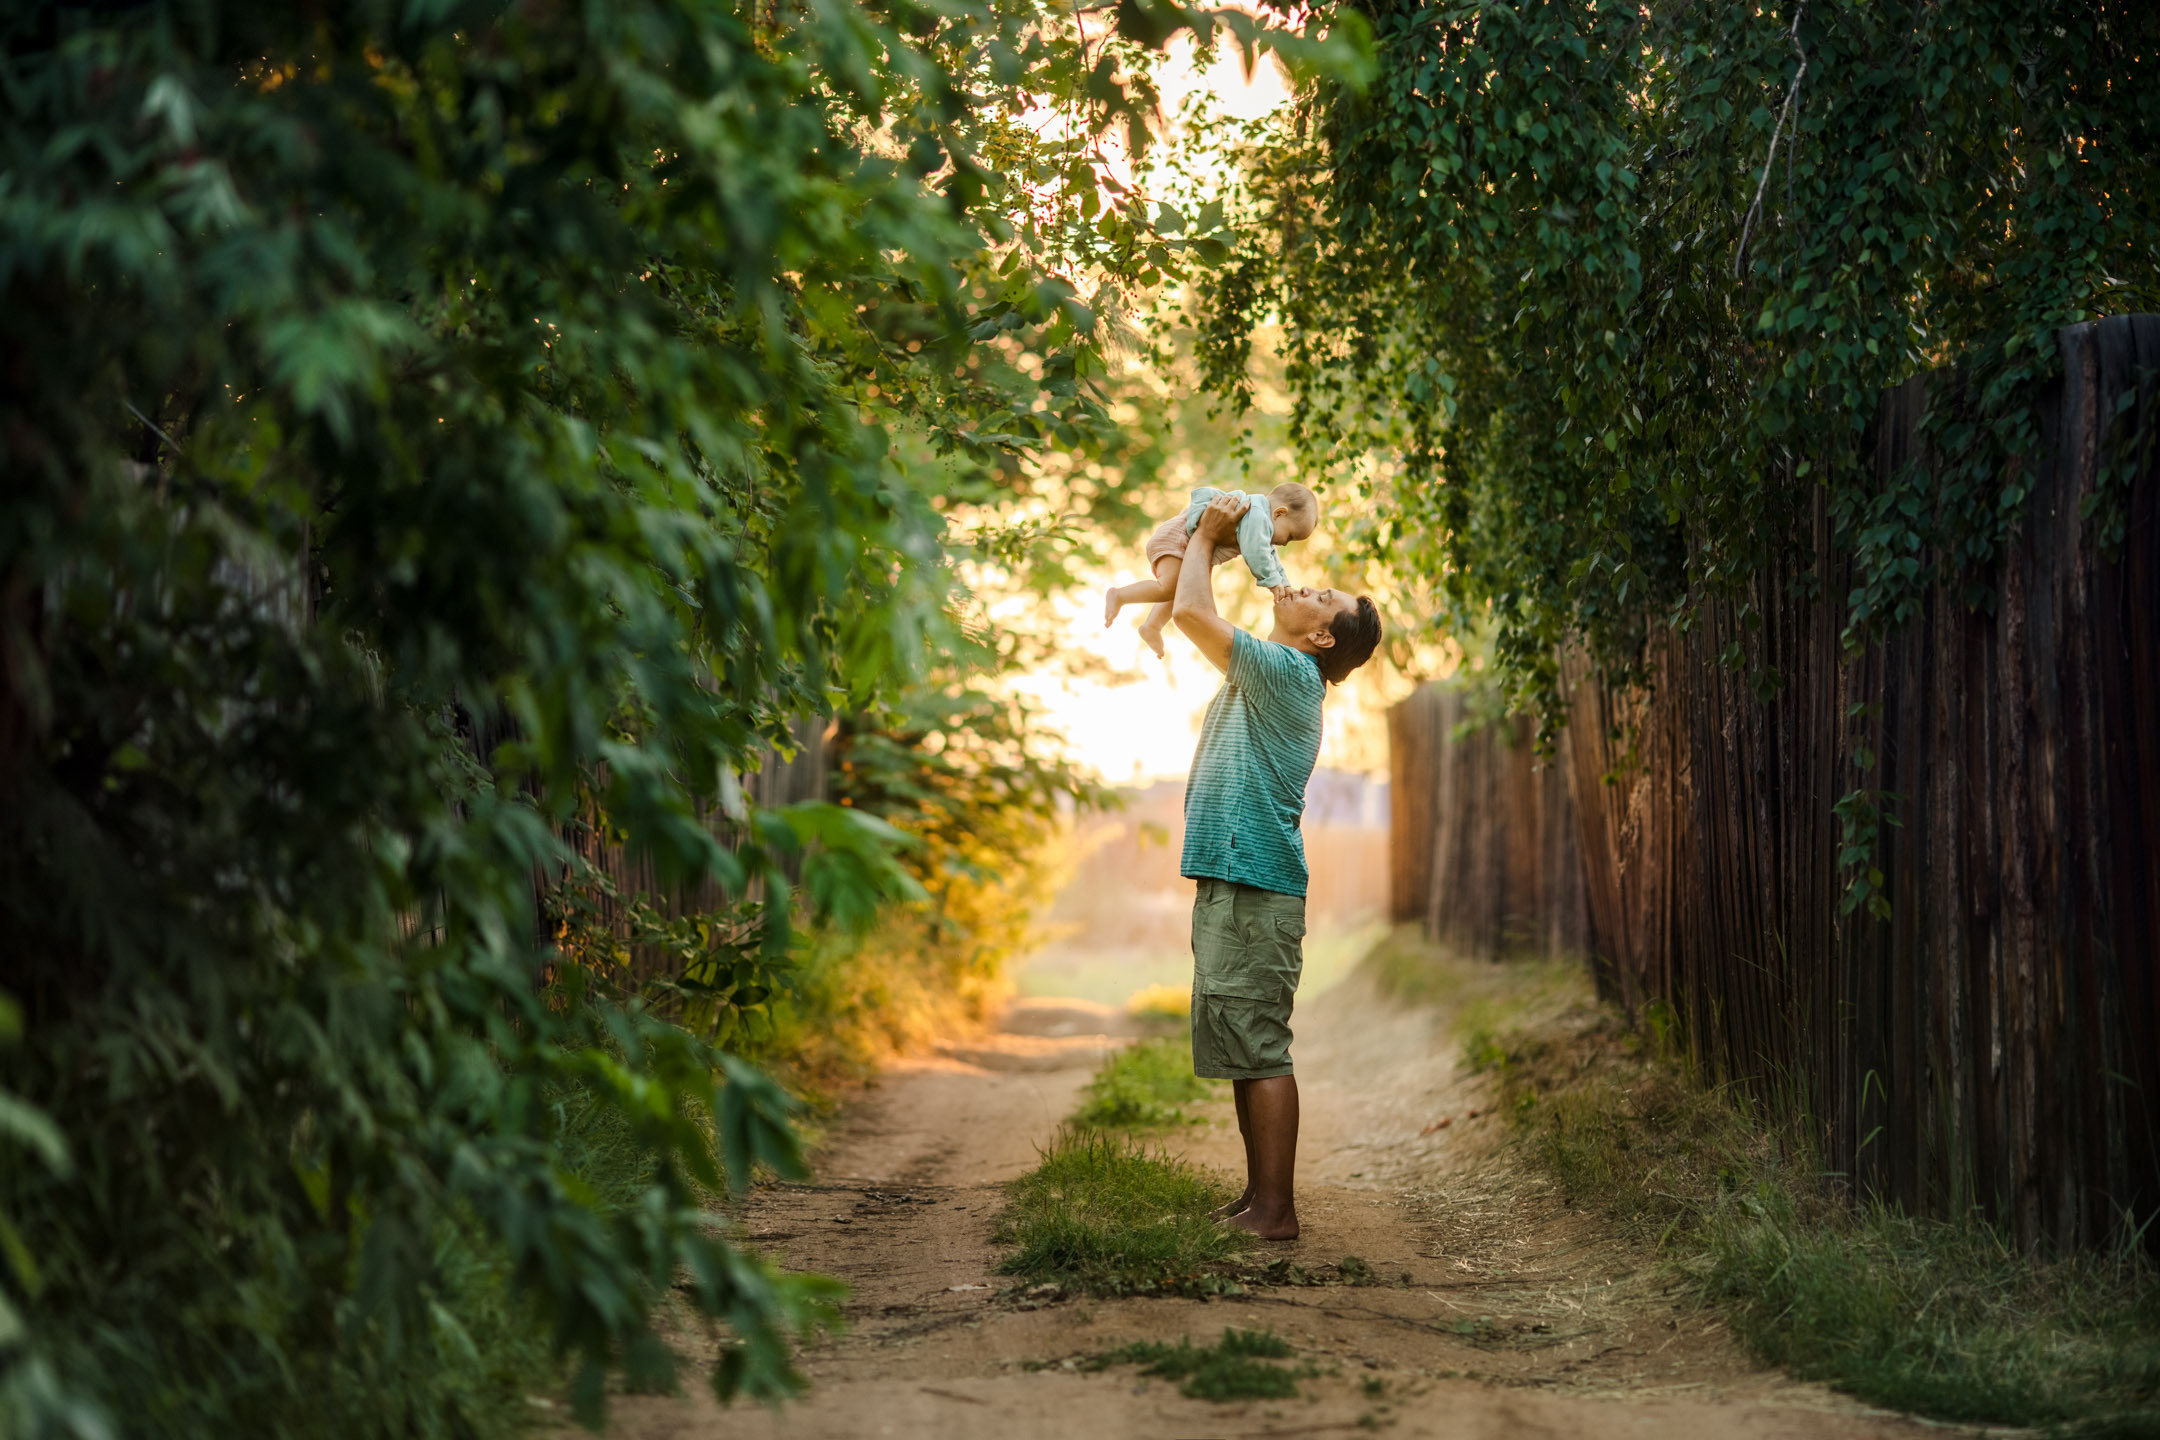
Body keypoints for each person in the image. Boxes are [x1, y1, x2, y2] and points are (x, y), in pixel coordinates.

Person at [1170, 490, 1383, 1241]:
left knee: (1259, 1046)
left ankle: (1276, 1211)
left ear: (1323, 640)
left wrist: (1207, 537)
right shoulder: (1271, 671)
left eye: (1319, 597)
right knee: (1239, 1041)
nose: (1302, 585)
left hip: (1257, 889)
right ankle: (1259, 1196)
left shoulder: (1291, 677)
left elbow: (1190, 615)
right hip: (1238, 882)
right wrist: (1222, 545)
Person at [1104, 482, 1319, 658]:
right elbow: (1257, 553)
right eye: (1290, 536)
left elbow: (1271, 557)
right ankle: (1120, 595)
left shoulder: (1263, 524)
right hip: (1179, 538)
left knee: (1180, 589)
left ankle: (1152, 626)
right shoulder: (1257, 516)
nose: (1286, 543)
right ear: (1280, 513)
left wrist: (1285, 584)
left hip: (1187, 544)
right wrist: (1272, 583)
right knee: (1169, 587)